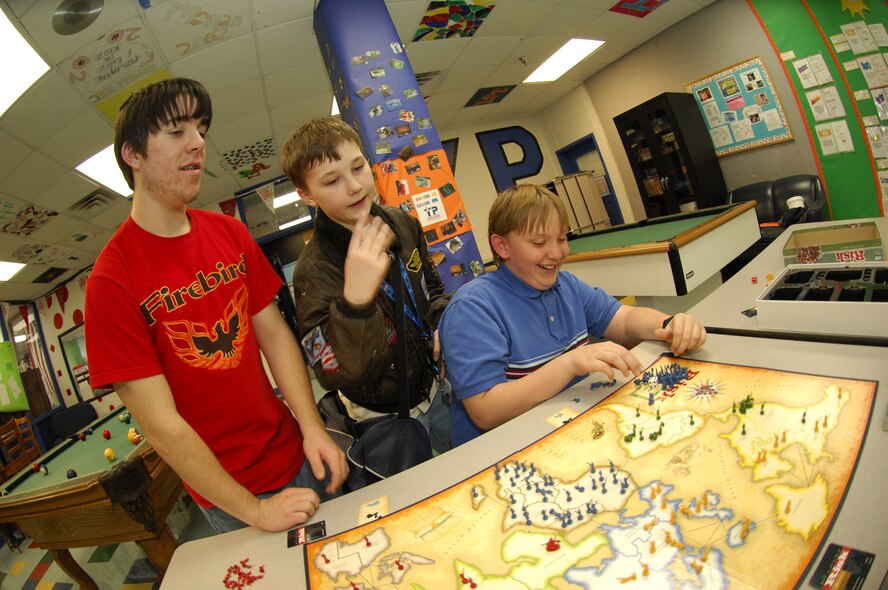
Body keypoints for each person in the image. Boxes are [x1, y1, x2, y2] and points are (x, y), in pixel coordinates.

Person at [84, 78, 348, 534]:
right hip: (234, 496)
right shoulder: (110, 281)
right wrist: (255, 510)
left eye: (201, 128)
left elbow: (274, 336)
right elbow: (162, 426)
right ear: (132, 154)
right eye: (176, 131)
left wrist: (312, 427)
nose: (198, 142)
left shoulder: (229, 232)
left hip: (297, 447)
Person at [439, 184, 707, 446]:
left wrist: (668, 324)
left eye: (561, 239)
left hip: (569, 430)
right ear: (502, 246)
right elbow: (485, 410)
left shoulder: (565, 284)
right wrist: (569, 364)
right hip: (502, 452)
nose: (556, 253)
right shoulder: (473, 308)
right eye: (539, 242)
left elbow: (622, 320)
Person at [279, 117, 451, 455]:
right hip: (382, 418)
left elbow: (433, 289)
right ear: (307, 195)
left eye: (358, 168)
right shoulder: (312, 272)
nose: (355, 187)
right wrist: (355, 303)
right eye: (331, 181)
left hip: (438, 386)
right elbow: (330, 371)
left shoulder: (403, 223)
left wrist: (442, 323)